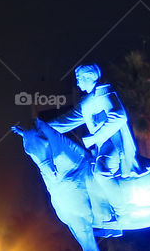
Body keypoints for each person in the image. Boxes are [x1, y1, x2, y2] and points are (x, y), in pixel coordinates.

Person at [48, 64, 142, 228]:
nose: (77, 84)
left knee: (101, 171)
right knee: (87, 173)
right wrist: (40, 129)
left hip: (115, 144)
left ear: (88, 77)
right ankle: (105, 214)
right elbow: (66, 121)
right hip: (101, 146)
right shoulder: (86, 102)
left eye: (79, 79)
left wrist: (93, 138)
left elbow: (120, 117)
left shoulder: (104, 92)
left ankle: (122, 213)